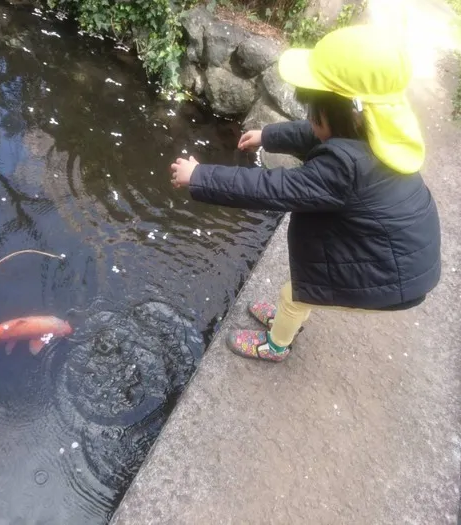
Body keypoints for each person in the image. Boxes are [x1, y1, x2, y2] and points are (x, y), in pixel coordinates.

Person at [169, 24, 441, 362]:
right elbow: (317, 134)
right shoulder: (374, 127)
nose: (310, 121)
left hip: (388, 277)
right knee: (300, 293)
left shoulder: (343, 168)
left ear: (345, 114)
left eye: (314, 114)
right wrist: (268, 135)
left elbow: (271, 188)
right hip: (395, 254)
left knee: (294, 296)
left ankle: (276, 346)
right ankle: (289, 319)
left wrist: (200, 177)